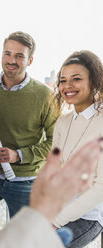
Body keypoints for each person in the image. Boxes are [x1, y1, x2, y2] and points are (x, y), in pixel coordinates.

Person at [0, 31, 59, 247]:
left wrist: (19, 155)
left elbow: (55, 142)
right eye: (8, 53)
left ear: (30, 60)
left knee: (26, 241)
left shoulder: (45, 96)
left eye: (19, 56)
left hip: (25, 180)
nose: (11, 60)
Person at [51, 50, 103, 247]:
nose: (67, 86)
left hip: (88, 216)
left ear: (94, 81)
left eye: (76, 79)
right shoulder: (63, 122)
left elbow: (101, 188)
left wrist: (55, 221)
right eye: (63, 80)